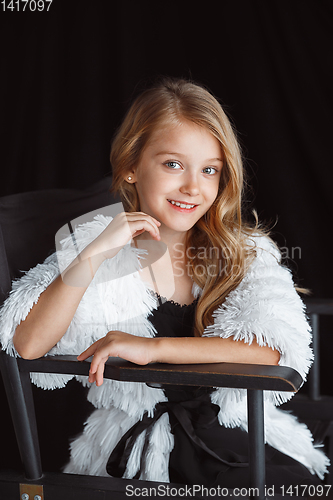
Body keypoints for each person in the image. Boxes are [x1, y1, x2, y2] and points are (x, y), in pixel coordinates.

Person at [0, 78, 329, 486]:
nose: (193, 186)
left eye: (209, 170)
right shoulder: (95, 243)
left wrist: (151, 348)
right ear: (132, 167)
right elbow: (28, 345)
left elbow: (274, 346)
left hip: (236, 423)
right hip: (148, 439)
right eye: (173, 164)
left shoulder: (242, 250)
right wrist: (93, 255)